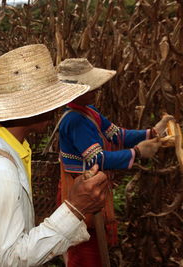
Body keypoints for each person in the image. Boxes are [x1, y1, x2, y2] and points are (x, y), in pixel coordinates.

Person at [0, 44, 110, 266]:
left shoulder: (10, 146)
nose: (57, 109)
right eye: (51, 102)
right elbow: (13, 260)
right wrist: (74, 208)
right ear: (29, 108)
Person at [56, 58, 174, 267]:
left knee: (91, 252)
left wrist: (153, 132)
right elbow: (98, 159)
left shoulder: (89, 112)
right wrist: (137, 152)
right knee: (84, 254)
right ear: (76, 92)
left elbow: (117, 134)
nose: (97, 91)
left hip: (89, 192)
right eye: (91, 87)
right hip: (79, 194)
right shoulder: (74, 120)